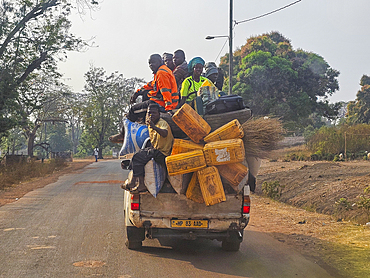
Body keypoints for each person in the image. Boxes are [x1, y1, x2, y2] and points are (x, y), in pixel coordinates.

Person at [122, 103, 174, 192]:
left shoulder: (161, 123)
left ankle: (141, 185)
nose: (151, 115)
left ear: (159, 114)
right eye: (149, 113)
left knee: (139, 158)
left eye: (154, 113)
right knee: (137, 155)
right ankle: (133, 181)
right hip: (157, 150)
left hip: (163, 153)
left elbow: (164, 133)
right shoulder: (150, 124)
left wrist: (154, 126)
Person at [128, 54, 179, 122]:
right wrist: (137, 93)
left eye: (153, 62)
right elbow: (150, 85)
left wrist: (168, 109)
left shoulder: (161, 73)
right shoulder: (160, 71)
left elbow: (166, 92)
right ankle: (143, 120)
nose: (151, 65)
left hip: (163, 105)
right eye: (149, 63)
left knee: (133, 110)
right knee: (146, 93)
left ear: (160, 62)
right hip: (163, 102)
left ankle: (125, 131)